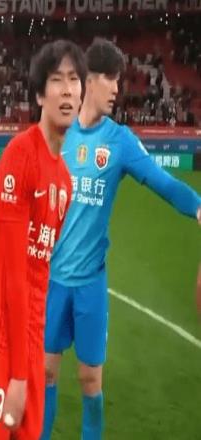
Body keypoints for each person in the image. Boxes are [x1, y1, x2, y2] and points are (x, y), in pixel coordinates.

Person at [41, 38, 201, 440]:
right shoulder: (58, 132)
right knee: (45, 372)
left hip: (90, 283)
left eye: (118, 80)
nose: (117, 88)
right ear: (89, 80)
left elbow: (163, 182)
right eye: (110, 79)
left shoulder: (120, 141)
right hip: (52, 279)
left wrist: (199, 208)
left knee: (90, 380)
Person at [0, 40, 86, 440]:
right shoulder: (19, 157)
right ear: (39, 95)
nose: (67, 90)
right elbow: (12, 272)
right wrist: (17, 375)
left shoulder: (64, 181)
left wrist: (31, 360)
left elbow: (39, 271)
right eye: (57, 80)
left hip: (32, 338)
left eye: (74, 80)